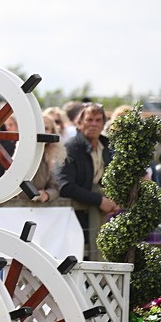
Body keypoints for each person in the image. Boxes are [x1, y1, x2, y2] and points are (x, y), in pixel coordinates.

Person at [56, 102, 120, 255]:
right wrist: (99, 200)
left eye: (98, 120)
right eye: (89, 120)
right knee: (81, 256)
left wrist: (114, 199)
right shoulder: (70, 147)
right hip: (75, 217)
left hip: (105, 215)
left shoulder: (108, 147)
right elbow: (64, 185)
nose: (94, 124)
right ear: (79, 123)